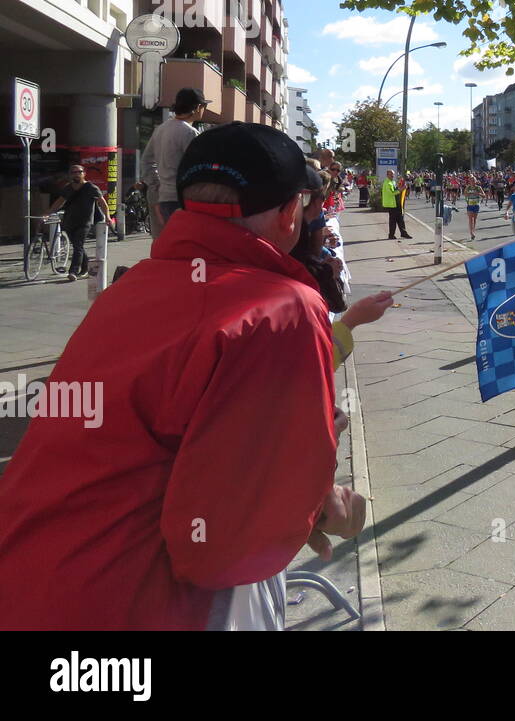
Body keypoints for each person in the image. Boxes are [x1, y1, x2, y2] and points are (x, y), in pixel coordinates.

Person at [0, 122, 392, 630]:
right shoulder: (281, 308)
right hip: (140, 606)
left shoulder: (131, 287)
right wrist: (322, 501)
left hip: (32, 584)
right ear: (291, 212)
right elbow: (222, 550)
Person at [141, 87, 209, 235]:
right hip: (183, 200)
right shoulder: (190, 133)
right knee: (185, 244)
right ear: (197, 107)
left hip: (164, 197)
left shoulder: (161, 129)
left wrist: (156, 184)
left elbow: (146, 161)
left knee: (167, 242)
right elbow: (199, 168)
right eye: (204, 106)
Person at [44, 163, 111, 280]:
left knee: (78, 244)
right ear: (70, 175)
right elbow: (59, 202)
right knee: (77, 245)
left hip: (85, 222)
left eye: (79, 172)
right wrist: (48, 213)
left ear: (84, 174)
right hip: (70, 221)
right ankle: (86, 267)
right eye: (73, 172)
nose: (76, 174)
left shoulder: (91, 187)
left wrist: (108, 217)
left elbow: (103, 203)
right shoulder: (68, 188)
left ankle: (73, 271)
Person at [381, 170, 412, 240]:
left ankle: (403, 233)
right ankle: (391, 235)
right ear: (387, 175)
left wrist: (399, 186)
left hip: (395, 203)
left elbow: (395, 188)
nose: (392, 176)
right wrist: (401, 189)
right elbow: (392, 193)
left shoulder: (392, 181)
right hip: (391, 204)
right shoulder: (387, 183)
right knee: (393, 220)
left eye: (393, 175)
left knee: (400, 219)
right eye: (391, 175)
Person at [463, 175, 483, 240]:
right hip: (470, 205)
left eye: (474, 180)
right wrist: (468, 194)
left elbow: (484, 195)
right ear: (469, 181)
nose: (472, 181)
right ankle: (471, 233)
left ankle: (473, 230)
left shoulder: (478, 188)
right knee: (470, 219)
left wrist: (478, 194)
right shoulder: (468, 187)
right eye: (471, 180)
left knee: (474, 219)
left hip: (476, 205)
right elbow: (465, 194)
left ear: (476, 181)